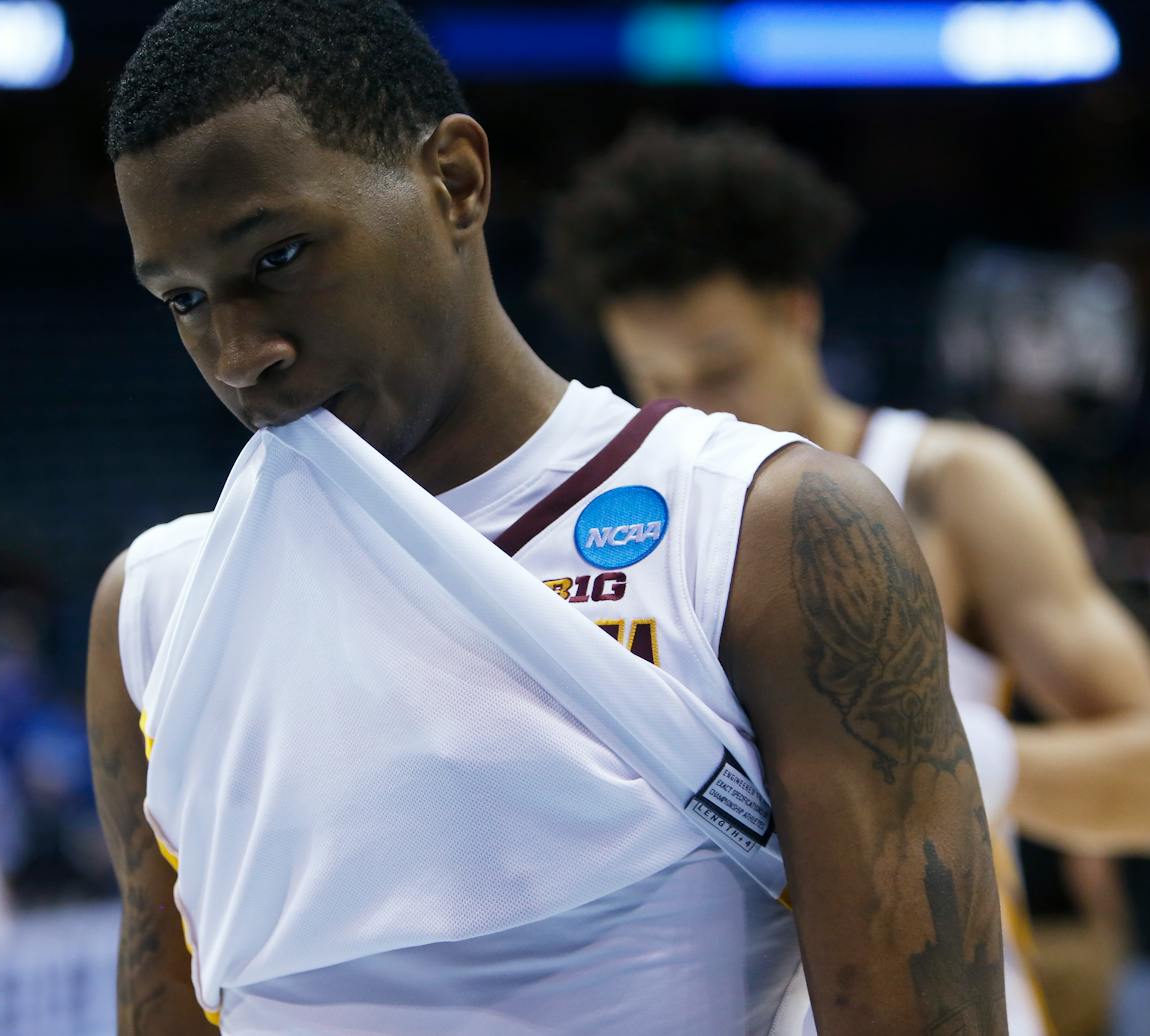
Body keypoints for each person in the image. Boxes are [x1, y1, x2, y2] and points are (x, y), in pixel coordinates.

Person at [86, 5, 1007, 1034]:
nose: (235, 352)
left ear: (456, 181)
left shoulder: (760, 531)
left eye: (279, 255)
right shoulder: (155, 610)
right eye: (182, 301)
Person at [544, 120, 1150, 1036]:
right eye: (656, 379)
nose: (692, 407)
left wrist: (924, 751)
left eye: (721, 367)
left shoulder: (950, 483)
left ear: (799, 312)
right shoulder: (626, 527)